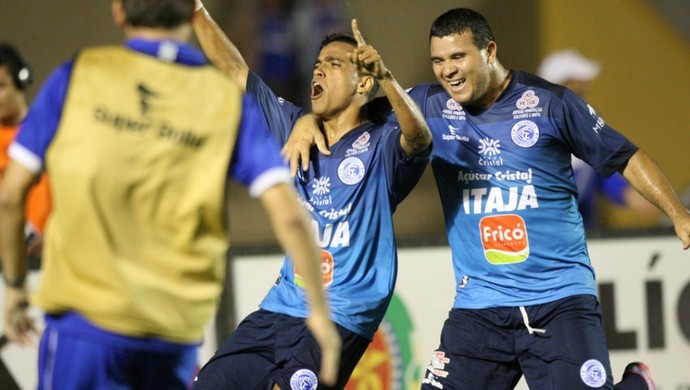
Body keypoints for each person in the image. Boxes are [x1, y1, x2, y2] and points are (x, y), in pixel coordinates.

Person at [284, 7, 690, 390]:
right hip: (480, 309)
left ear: (489, 50)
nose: (448, 71)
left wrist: (677, 213)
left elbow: (625, 157)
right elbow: (348, 117)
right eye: (438, 61)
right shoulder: (426, 105)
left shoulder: (550, 104)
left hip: (560, 300)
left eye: (458, 57)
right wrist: (307, 120)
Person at [0, 0, 340, 389]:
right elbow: (290, 214)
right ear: (188, 14)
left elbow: (10, 197)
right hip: (172, 332)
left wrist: (14, 290)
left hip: (85, 324)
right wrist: (317, 310)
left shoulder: (78, 77)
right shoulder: (223, 100)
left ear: (119, 12)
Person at [191, 3, 431, 389]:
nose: (318, 69)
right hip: (280, 308)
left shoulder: (382, 141)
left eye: (334, 64)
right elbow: (234, 69)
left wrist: (386, 77)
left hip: (342, 315)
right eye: (318, 63)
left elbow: (418, 137)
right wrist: (195, 10)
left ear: (363, 83)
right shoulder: (292, 125)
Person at [538, 49, 659, 229]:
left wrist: (633, 195)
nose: (581, 100)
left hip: (583, 234)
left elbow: (603, 174)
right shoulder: (534, 137)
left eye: (582, 92)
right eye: (576, 91)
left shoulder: (586, 130)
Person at [0, 43, 51, 261]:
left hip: (45, 263)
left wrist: (53, 238)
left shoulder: (50, 134)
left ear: (21, 82)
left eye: (0, 86)